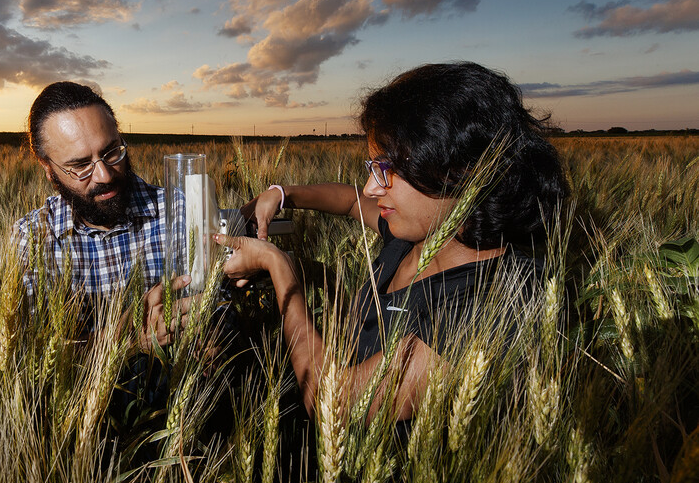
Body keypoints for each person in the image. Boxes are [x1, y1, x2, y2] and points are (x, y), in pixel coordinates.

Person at [215, 61, 569, 419]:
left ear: (458, 168)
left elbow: (332, 405)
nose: (372, 187)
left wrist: (280, 267)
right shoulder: (414, 235)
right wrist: (281, 193)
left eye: (387, 169)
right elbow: (352, 200)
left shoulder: (498, 302)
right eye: (372, 168)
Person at [13, 81, 185, 347]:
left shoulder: (176, 211)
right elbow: (30, 351)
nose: (104, 175)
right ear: (48, 168)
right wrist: (126, 339)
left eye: (111, 152)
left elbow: (218, 306)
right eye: (80, 165)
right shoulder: (32, 240)